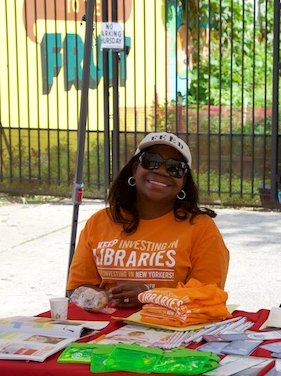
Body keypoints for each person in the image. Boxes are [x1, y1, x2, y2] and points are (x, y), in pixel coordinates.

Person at [67, 132, 230, 309]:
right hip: (105, 331)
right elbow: (76, 289)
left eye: (175, 167)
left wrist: (150, 296)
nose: (161, 170)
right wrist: (106, 298)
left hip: (172, 332)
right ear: (135, 169)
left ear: (183, 182)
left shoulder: (201, 228)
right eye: (151, 160)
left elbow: (208, 294)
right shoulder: (99, 222)